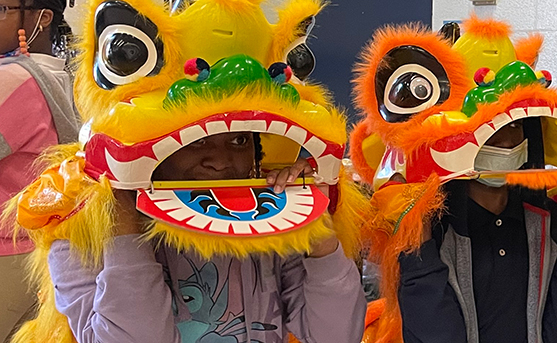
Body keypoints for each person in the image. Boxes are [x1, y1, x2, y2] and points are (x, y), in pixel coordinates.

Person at [46, 131, 366, 343]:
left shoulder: (271, 223)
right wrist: (124, 225)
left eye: (238, 140)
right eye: (197, 141)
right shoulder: (77, 237)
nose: (220, 161)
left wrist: (318, 231)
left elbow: (336, 336)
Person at [396, 120, 557, 343]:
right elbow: (433, 329)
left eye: (515, 126)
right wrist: (417, 229)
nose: (506, 140)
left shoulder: (550, 222)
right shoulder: (433, 228)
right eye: (491, 126)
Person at [0, 0, 78, 337]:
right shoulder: (67, 75)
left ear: (42, 18)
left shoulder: (11, 77)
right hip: (47, 253)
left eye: (0, 9)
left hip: (6, 256)